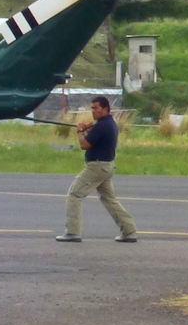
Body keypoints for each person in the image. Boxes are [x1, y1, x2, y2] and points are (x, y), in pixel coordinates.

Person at [56, 96, 137, 243]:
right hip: (107, 166)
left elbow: (85, 145)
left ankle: (72, 232)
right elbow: (96, 136)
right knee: (109, 199)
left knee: (75, 194)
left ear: (105, 109)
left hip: (97, 167)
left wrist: (80, 131)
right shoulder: (109, 123)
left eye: (96, 108)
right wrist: (88, 128)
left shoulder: (102, 126)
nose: (93, 111)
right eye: (92, 108)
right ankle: (129, 230)